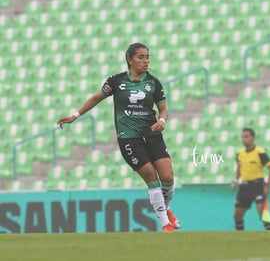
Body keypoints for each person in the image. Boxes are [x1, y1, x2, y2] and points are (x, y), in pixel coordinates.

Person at [57, 43, 180, 233]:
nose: (146, 60)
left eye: (147, 56)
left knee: (168, 177)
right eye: (141, 57)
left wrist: (162, 120)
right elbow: (96, 98)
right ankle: (165, 223)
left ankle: (167, 208)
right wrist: (75, 115)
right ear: (130, 59)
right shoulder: (116, 81)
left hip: (152, 134)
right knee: (151, 178)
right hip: (129, 138)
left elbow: (163, 109)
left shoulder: (154, 83)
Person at [231, 128, 270, 231]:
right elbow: (239, 168)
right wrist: (236, 180)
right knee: (237, 215)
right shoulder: (239, 154)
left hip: (258, 185)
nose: (244, 139)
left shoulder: (260, 152)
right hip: (245, 186)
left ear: (253, 138)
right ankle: (240, 238)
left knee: (262, 212)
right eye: (242, 137)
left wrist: (267, 185)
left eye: (246, 137)